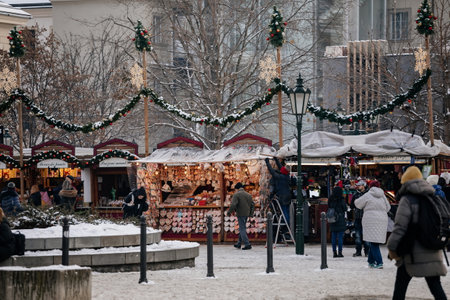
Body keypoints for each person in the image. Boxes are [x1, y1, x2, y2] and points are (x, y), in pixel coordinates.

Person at [387, 166, 447, 300]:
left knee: (400, 288)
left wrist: (392, 247)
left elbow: (400, 227)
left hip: (411, 251)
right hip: (432, 247)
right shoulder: (432, 197)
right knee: (436, 287)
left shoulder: (407, 199)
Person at [355, 180, 390, 269]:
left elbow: (358, 204)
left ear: (370, 186)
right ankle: (370, 261)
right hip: (382, 219)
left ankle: (379, 262)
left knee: (374, 242)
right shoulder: (383, 196)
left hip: (370, 219)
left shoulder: (368, 194)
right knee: (374, 241)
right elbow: (388, 207)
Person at [227, 182, 254, 250]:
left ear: (237, 188)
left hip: (240, 213)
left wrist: (229, 212)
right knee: (242, 228)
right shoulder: (248, 195)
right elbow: (252, 205)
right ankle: (239, 243)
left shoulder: (236, 194)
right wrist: (251, 214)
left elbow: (233, 204)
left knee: (242, 229)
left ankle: (247, 244)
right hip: (246, 213)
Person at [265, 157, 292, 225]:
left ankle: (286, 224)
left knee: (284, 211)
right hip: (287, 195)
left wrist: (267, 163)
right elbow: (281, 168)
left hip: (282, 196)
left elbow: (272, 172)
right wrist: (276, 160)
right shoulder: (286, 175)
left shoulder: (281, 177)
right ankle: (286, 223)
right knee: (286, 210)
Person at [350, 180, 370, 257]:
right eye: (358, 185)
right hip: (358, 217)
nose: (358, 186)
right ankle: (359, 251)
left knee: (366, 235)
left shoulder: (368, 194)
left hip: (366, 217)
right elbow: (351, 205)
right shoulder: (356, 194)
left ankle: (367, 251)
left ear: (364, 185)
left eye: (360, 185)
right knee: (358, 235)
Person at [328, 186, 347, 258]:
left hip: (332, 218)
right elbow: (344, 208)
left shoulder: (331, 199)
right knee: (340, 237)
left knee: (333, 236)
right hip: (340, 218)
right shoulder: (341, 199)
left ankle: (334, 252)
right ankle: (340, 252)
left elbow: (329, 206)